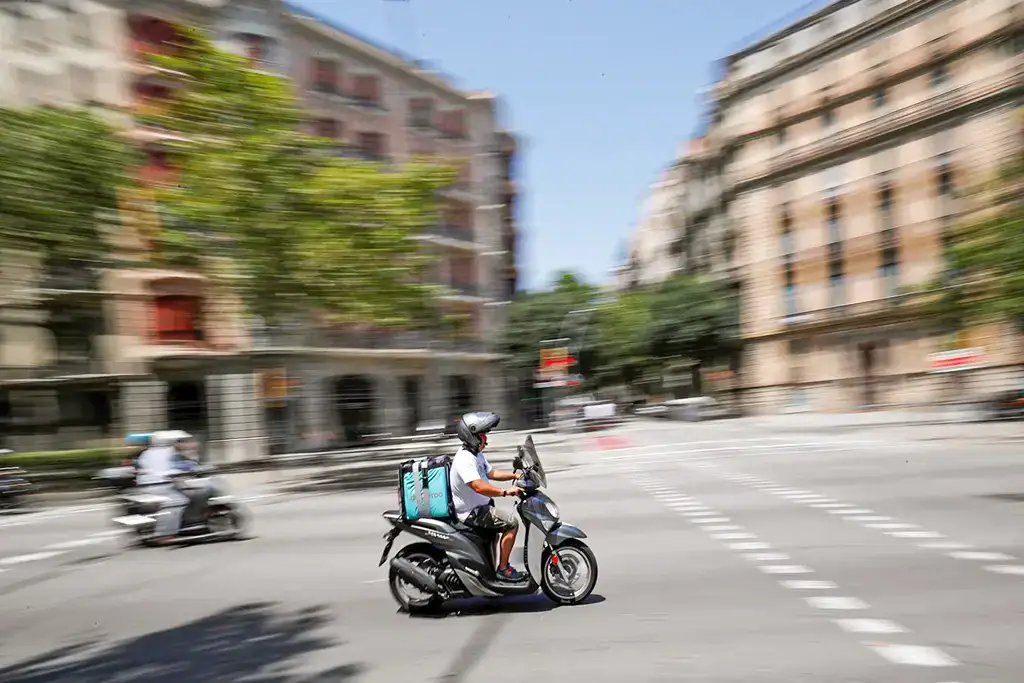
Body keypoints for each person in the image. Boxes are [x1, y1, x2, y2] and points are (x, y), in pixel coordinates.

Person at [449, 411, 525, 581]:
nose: (486, 440)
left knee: (502, 523)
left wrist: (515, 476)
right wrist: (505, 492)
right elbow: (478, 486)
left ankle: (493, 566)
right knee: (511, 523)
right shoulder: (465, 459)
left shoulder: (476, 454)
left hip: (480, 508)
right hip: (472, 512)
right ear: (473, 436)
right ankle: (503, 569)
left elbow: (491, 473)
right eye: (483, 435)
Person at [135, 430, 199, 544]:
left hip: (146, 486)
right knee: (180, 501)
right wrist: (193, 468)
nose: (180, 444)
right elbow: (180, 466)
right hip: (160, 485)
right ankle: (164, 534)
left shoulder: (146, 453)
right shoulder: (168, 453)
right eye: (178, 441)